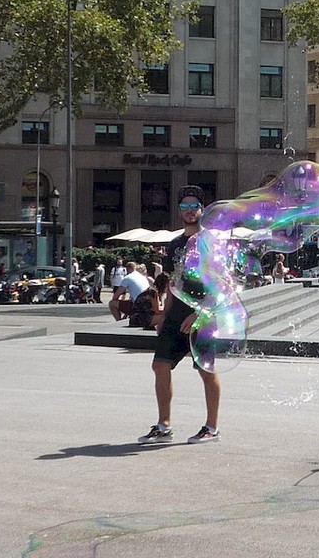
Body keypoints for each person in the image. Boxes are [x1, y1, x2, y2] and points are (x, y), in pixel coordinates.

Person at [139, 185, 222, 445]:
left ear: (202, 210)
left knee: (206, 371)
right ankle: (164, 426)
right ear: (179, 211)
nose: (189, 211)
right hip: (177, 313)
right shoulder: (175, 244)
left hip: (204, 314)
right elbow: (174, 282)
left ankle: (212, 427)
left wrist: (200, 314)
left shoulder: (210, 242)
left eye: (193, 206)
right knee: (159, 364)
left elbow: (219, 284)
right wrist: (163, 312)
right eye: (184, 207)